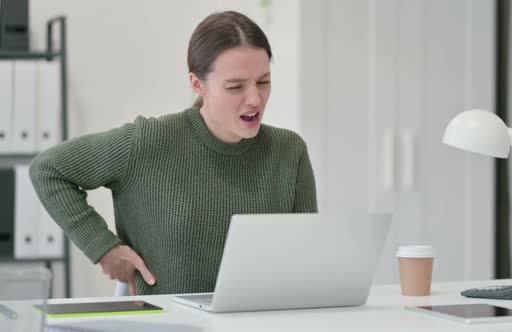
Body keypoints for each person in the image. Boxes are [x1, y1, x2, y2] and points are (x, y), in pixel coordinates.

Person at [29, 11, 317, 296]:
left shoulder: (289, 151)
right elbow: (48, 169)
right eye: (235, 86)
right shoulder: (150, 141)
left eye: (263, 82)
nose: (255, 99)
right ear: (197, 84)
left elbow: (304, 259)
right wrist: (103, 247)